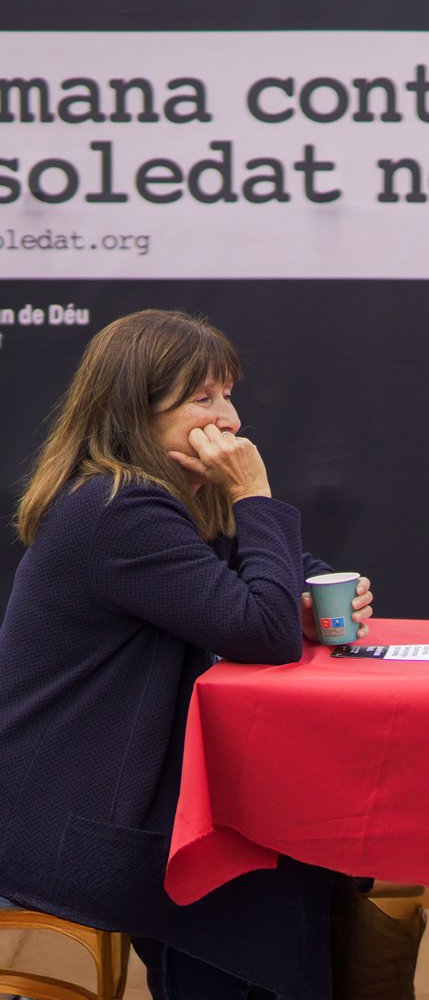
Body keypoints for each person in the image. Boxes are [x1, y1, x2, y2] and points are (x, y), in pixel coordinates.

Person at [0, 309, 376, 999]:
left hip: (121, 800)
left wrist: (311, 598)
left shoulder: (172, 502)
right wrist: (253, 494)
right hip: (72, 826)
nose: (229, 419)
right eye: (203, 398)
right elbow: (261, 630)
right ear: (134, 412)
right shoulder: (118, 509)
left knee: (295, 853)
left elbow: (282, 579)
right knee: (257, 875)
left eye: (228, 394)